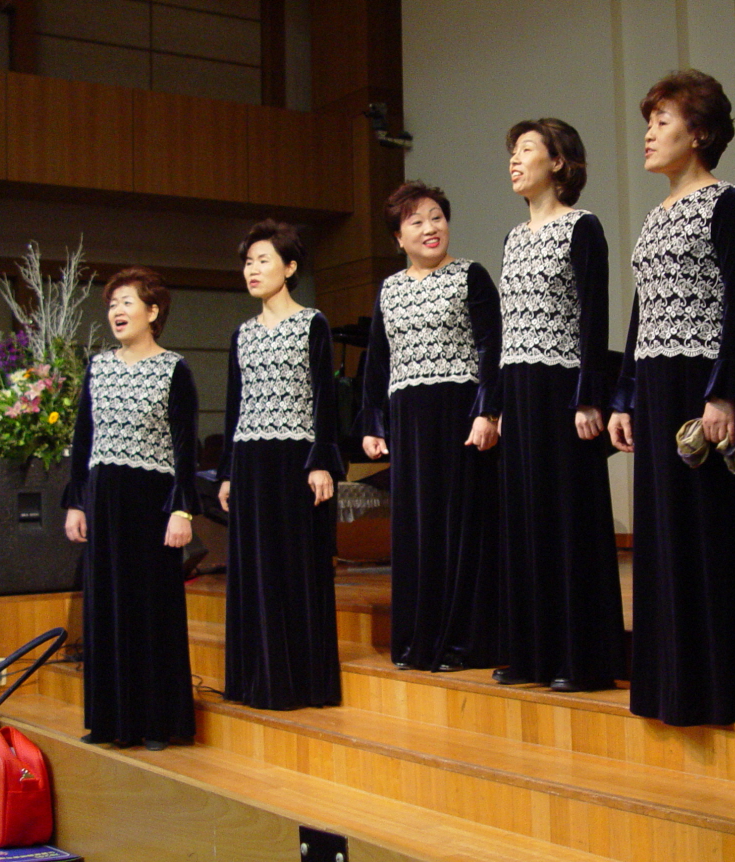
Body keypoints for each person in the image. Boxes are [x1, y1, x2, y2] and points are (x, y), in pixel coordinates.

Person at [608, 70, 735, 727]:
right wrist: (623, 394)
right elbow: (641, 313)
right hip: (656, 387)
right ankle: (672, 685)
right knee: (664, 535)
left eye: (663, 121)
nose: (648, 134)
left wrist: (725, 394)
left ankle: (724, 686)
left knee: (710, 534)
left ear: (699, 132)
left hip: (703, 387)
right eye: (648, 122)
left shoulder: (729, 205)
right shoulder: (655, 218)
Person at [494, 118, 625, 692]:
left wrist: (589, 397)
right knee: (526, 520)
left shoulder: (582, 227)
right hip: (520, 393)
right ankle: (531, 653)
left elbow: (594, 317)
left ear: (558, 162)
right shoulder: (513, 238)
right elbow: (508, 330)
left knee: (570, 520)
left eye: (526, 149)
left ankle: (582, 657)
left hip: (565, 391)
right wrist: (499, 404)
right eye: (512, 152)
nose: (514, 160)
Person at [358, 181, 502, 673]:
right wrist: (372, 422)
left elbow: (491, 348)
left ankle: (464, 643)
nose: (429, 228)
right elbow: (377, 361)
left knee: (462, 527)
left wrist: (488, 411)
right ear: (398, 237)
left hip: (461, 415)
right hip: (409, 421)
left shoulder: (470, 276)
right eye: (415, 221)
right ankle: (418, 641)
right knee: (417, 529)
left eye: (436, 217)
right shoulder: (390, 289)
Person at [64, 266, 199, 750]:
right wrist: (75, 502)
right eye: (112, 304)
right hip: (104, 503)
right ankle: (110, 721)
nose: (117, 311)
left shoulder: (174, 369)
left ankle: (156, 723)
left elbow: (185, 448)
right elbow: (83, 441)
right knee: (105, 608)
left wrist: (182, 510)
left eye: (127, 302)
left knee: (151, 611)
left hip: (152, 505)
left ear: (153, 311)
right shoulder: (98, 367)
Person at [218, 219, 343, 710]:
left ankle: (302, 682)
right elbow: (234, 406)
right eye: (248, 262)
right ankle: (257, 680)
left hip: (297, 461)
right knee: (255, 571)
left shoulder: (313, 323)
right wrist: (227, 471)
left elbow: (325, 399)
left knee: (297, 569)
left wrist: (321, 461)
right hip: (250, 462)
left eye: (263, 260)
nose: (252, 269)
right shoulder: (242, 335)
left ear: (290, 268)